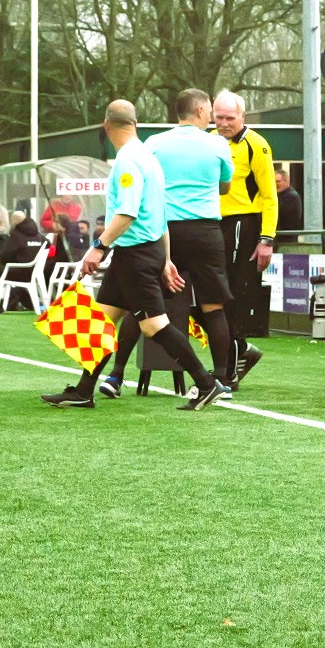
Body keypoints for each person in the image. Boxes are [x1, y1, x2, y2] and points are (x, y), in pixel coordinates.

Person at [41, 100, 224, 411]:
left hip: (135, 255)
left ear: (106, 125)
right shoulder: (147, 157)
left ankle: (207, 384)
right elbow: (161, 215)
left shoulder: (127, 160)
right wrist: (165, 260)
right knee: (99, 320)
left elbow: (127, 212)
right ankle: (84, 389)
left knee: (154, 326)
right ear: (135, 123)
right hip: (142, 250)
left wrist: (98, 247)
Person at [100, 88, 240, 396]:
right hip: (204, 231)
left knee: (141, 304)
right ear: (202, 111)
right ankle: (221, 380)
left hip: (164, 230)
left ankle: (116, 374)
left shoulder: (153, 143)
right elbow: (226, 186)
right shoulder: (217, 143)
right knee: (213, 307)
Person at [213, 90, 277, 383]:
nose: (224, 123)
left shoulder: (257, 145)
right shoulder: (209, 141)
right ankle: (241, 350)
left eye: (230, 118)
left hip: (243, 224)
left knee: (232, 294)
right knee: (208, 296)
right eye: (219, 117)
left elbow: (269, 195)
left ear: (243, 117)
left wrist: (267, 238)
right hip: (211, 224)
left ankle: (228, 368)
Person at [0, 210, 42, 310]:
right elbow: (47, 245)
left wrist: (7, 261)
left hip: (21, 272)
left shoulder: (17, 234)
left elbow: (6, 256)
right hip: (36, 271)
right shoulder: (38, 234)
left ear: (14, 221)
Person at [275, 166, 304, 235]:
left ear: (286, 181)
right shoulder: (279, 195)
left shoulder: (291, 196)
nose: (275, 184)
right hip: (280, 236)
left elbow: (279, 214)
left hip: (287, 237)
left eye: (278, 181)